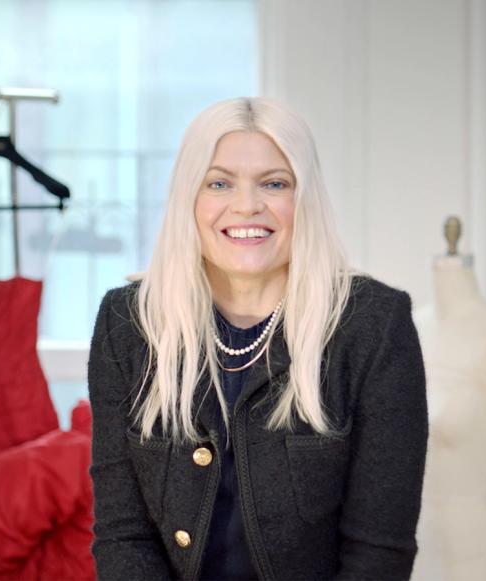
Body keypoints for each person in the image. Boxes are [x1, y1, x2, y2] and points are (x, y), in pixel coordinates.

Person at [88, 96, 428, 581]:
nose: (247, 205)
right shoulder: (128, 323)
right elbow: (123, 534)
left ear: (303, 198)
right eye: (219, 182)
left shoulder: (372, 325)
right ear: (190, 197)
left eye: (274, 183)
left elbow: (379, 552)